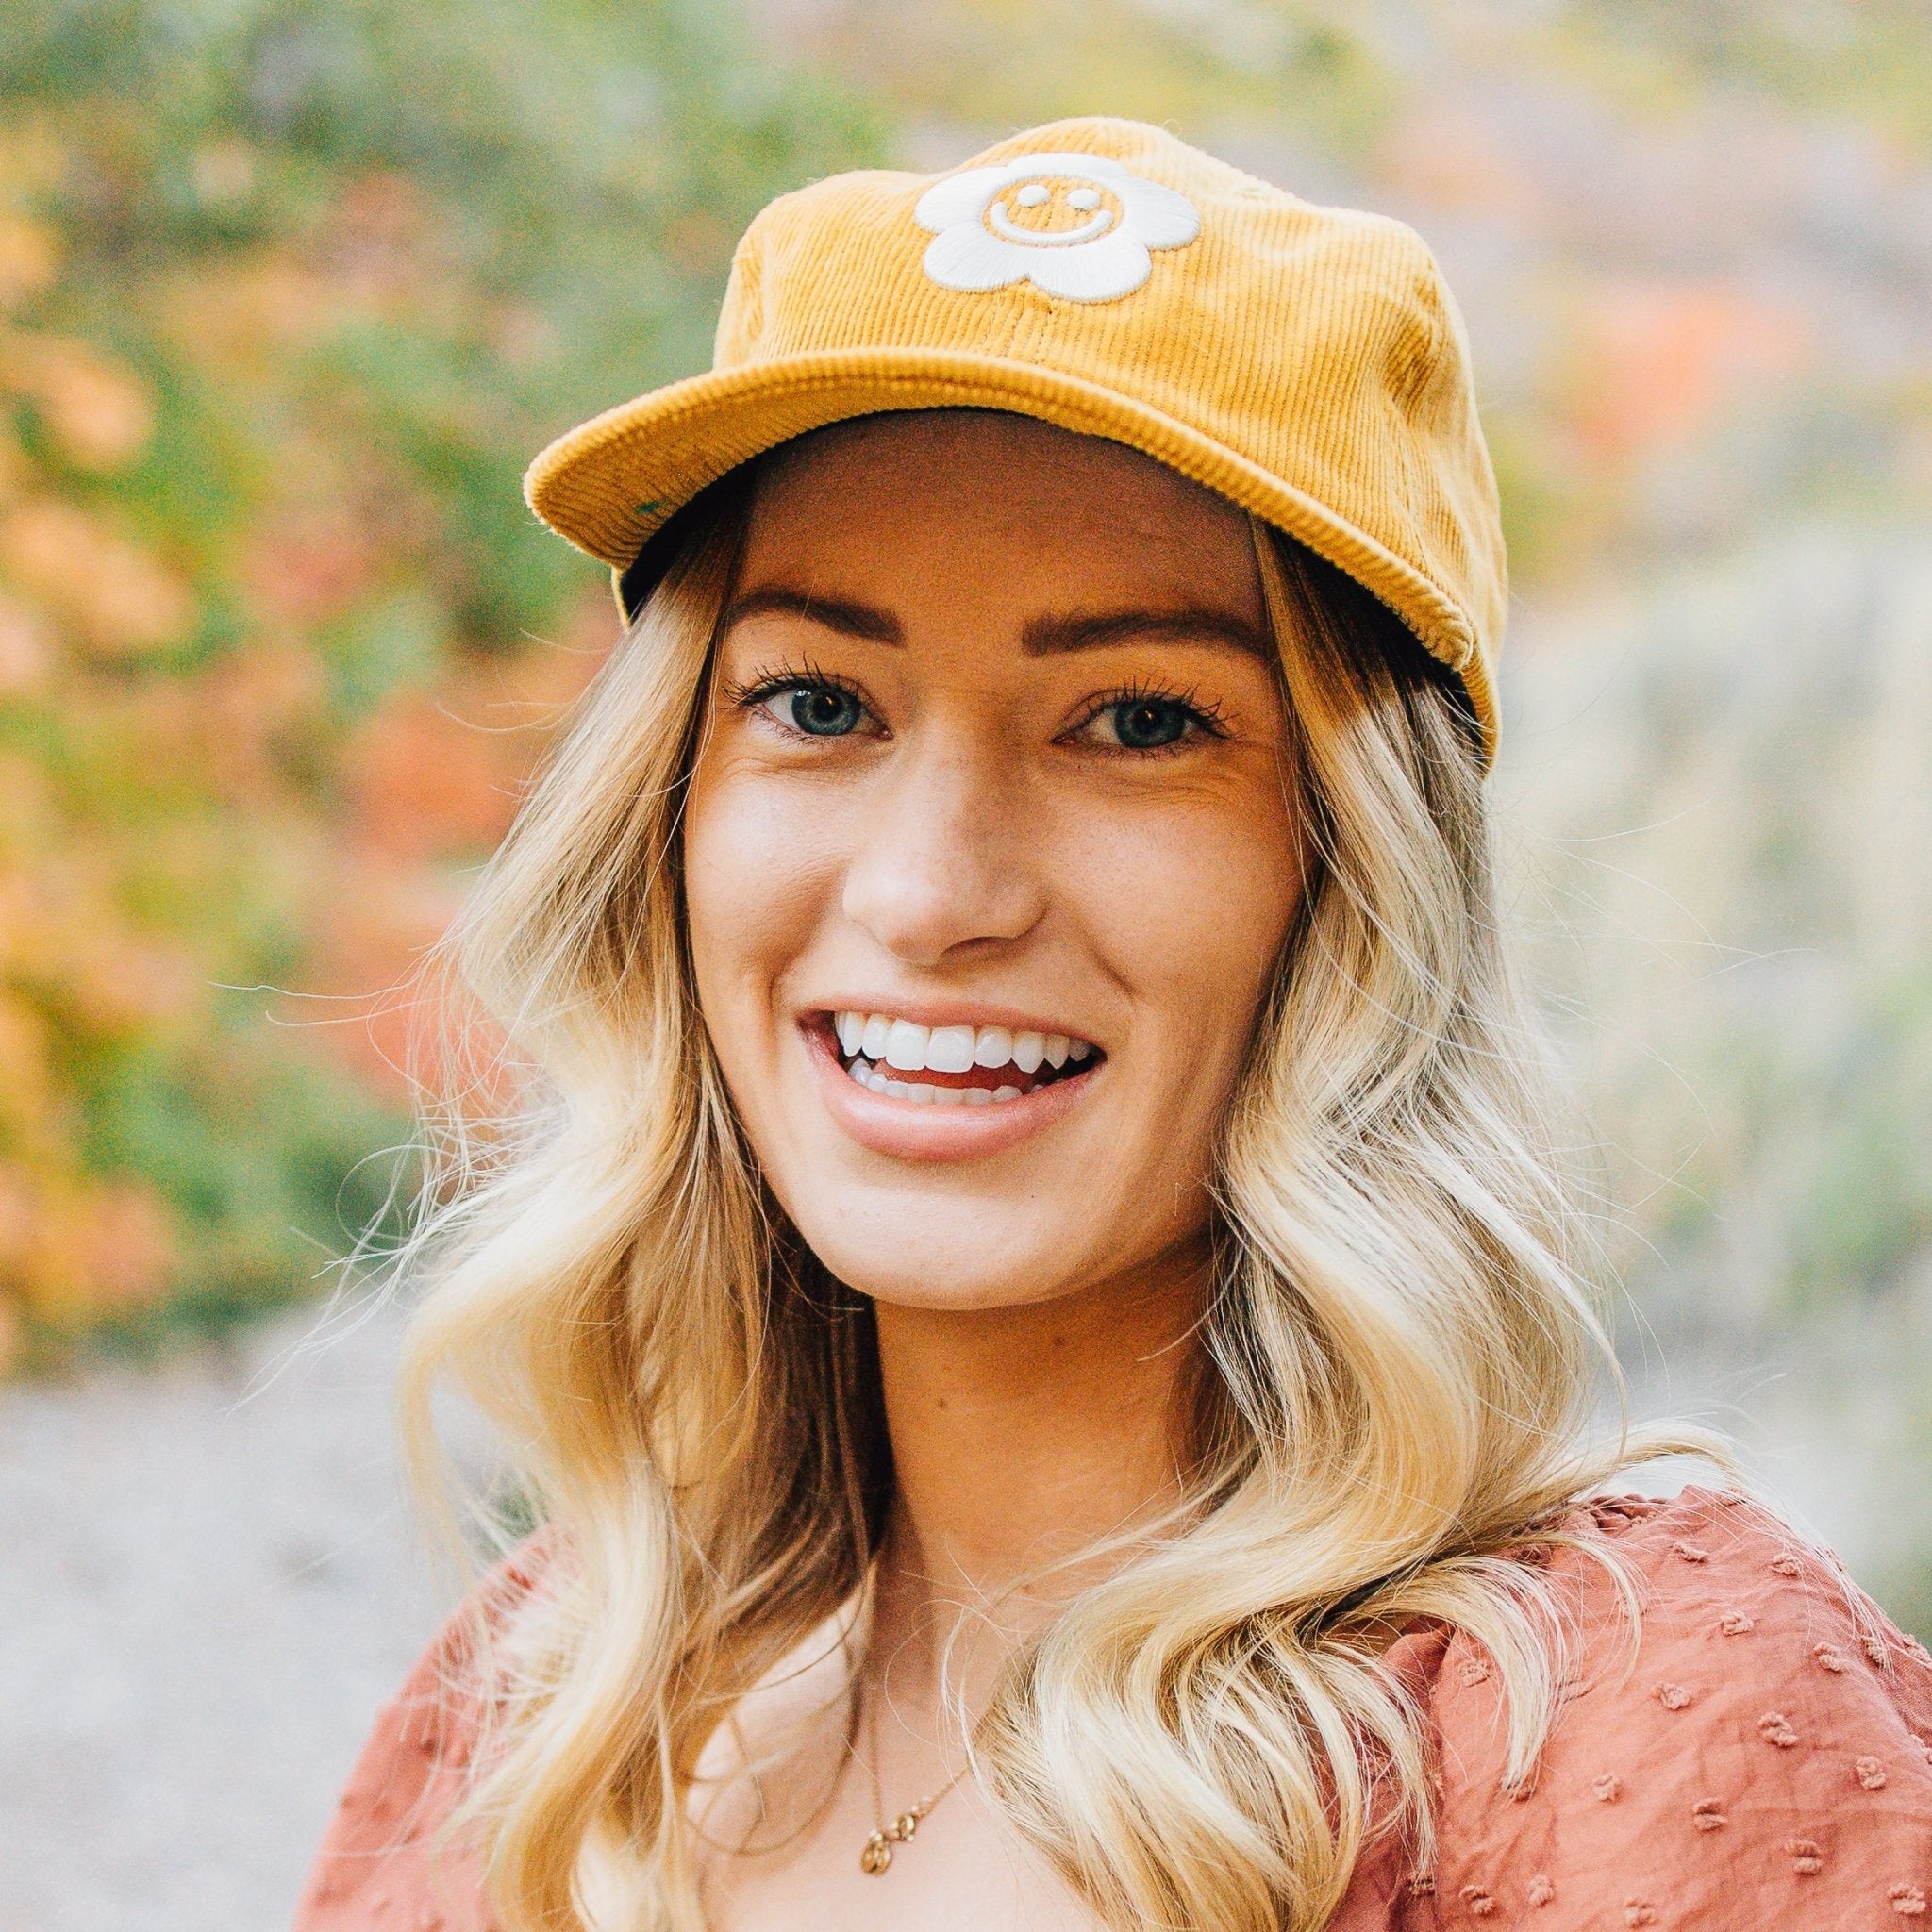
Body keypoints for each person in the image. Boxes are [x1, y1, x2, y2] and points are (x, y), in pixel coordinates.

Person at [293, 119, 1932, 1932]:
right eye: (820, 701)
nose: (932, 892)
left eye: (1140, 722)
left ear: (1353, 877)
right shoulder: (540, 1717)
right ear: (667, 809)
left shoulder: (1638, 1715)